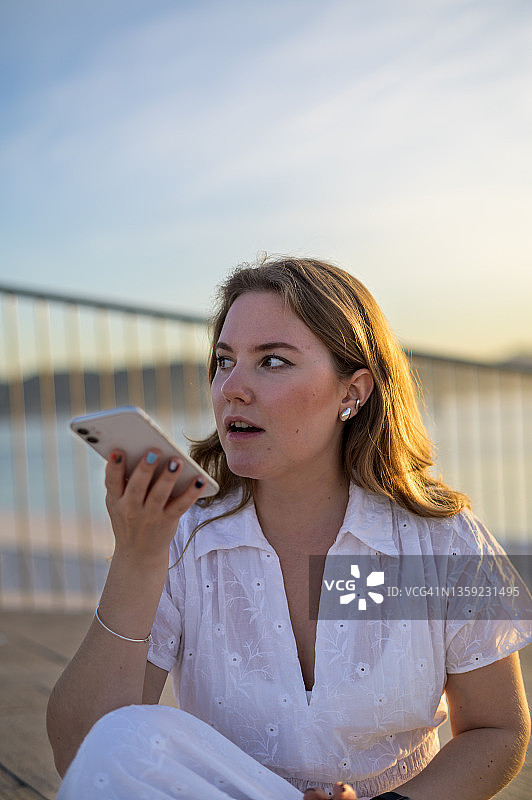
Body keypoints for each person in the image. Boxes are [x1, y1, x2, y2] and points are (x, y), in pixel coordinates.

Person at [47, 257, 532, 800]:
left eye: (272, 361)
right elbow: (88, 754)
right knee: (133, 736)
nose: (232, 387)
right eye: (224, 361)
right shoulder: (186, 536)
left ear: (353, 392)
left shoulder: (433, 541)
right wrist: (137, 560)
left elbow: (498, 731)